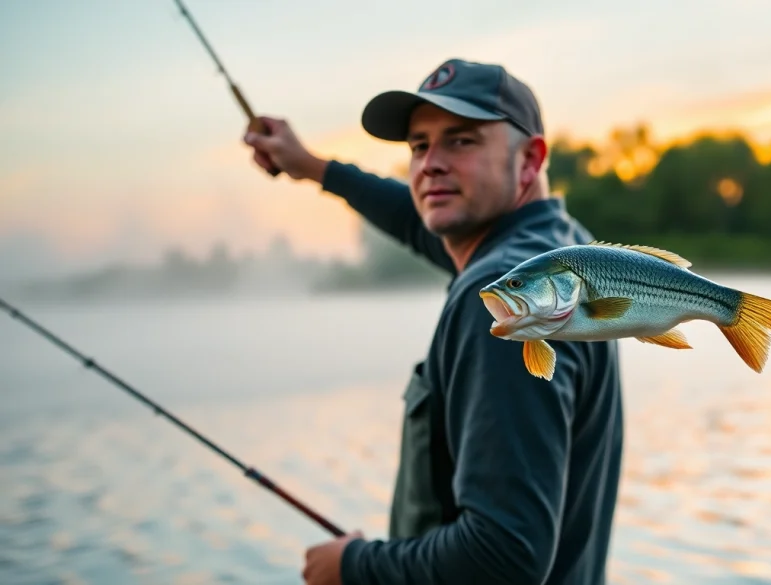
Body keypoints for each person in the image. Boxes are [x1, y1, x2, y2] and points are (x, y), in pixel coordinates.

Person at [243, 58, 624, 585]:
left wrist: (354, 566)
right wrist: (311, 166)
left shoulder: (504, 302)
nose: (429, 165)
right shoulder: (558, 250)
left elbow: (504, 554)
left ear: (529, 161)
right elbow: (415, 218)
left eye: (461, 141)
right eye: (419, 146)